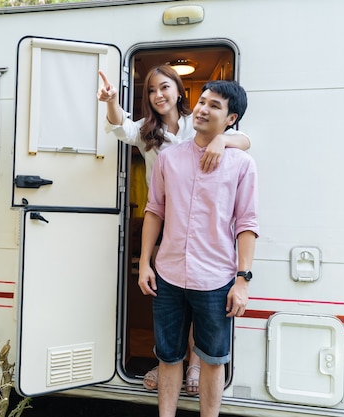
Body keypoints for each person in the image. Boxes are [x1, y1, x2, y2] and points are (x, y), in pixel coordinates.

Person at [97, 65, 251, 396]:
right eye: (151, 90)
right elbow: (119, 126)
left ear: (180, 91)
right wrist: (110, 101)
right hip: (167, 217)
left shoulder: (196, 123)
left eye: (165, 87)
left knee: (203, 291)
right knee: (176, 297)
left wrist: (222, 140)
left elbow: (247, 140)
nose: (158, 95)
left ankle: (196, 363)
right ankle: (172, 362)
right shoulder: (146, 132)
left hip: (204, 223)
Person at [138, 80, 258, 417]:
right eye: (202, 102)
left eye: (214, 106)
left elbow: (248, 224)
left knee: (212, 359)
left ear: (231, 117)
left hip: (216, 279)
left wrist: (242, 281)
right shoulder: (169, 158)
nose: (203, 109)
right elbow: (154, 210)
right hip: (169, 274)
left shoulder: (242, 164)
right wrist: (145, 263)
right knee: (168, 356)